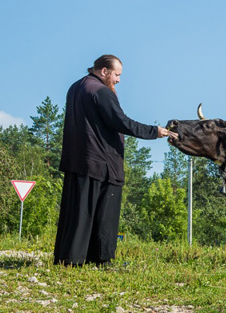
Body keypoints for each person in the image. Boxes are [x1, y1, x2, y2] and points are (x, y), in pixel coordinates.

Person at [53, 54, 177, 266]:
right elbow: (121, 122)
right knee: (104, 214)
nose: (118, 80)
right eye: (116, 75)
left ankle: (70, 259)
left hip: (78, 159)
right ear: (104, 71)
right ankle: (101, 260)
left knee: (78, 213)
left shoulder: (76, 87)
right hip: (101, 161)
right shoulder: (101, 91)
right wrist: (154, 131)